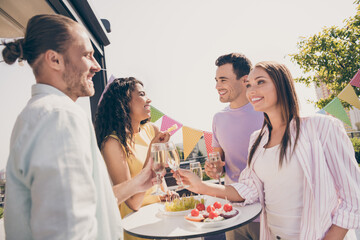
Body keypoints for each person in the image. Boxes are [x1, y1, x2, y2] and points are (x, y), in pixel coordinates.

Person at [2, 14, 158, 240]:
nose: (96, 66)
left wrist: (140, 181)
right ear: (54, 60)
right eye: (87, 55)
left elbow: (88, 204)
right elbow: (67, 231)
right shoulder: (59, 116)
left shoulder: (39, 114)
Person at [178, 61, 360, 239]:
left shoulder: (322, 127)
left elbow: (353, 197)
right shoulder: (257, 139)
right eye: (249, 85)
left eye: (260, 82)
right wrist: (201, 186)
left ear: (282, 85)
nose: (252, 90)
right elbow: (250, 189)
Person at [94, 77, 173, 240]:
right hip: (137, 228)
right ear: (124, 103)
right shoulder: (112, 143)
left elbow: (158, 177)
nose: (149, 99)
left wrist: (167, 193)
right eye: (142, 94)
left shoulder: (152, 130)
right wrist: (152, 152)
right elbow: (133, 203)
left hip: (161, 219)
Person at [205, 53, 263, 239]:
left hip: (267, 213)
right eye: (216, 80)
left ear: (245, 80)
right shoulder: (218, 118)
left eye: (223, 80)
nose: (217, 86)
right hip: (234, 214)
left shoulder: (266, 112)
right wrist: (213, 169)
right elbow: (218, 165)